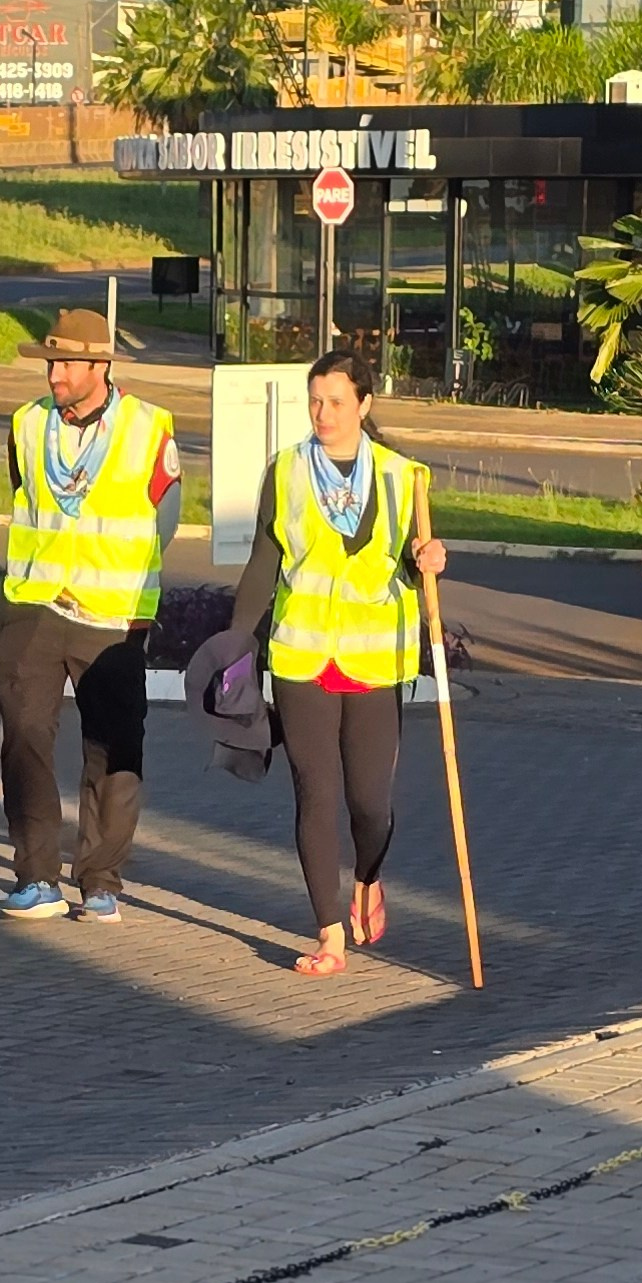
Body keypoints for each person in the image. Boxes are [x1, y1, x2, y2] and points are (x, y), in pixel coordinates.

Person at [226, 344, 447, 978]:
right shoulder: (286, 471)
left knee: (369, 804)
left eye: (336, 402)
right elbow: (264, 563)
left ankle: (369, 876)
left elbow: (413, 562)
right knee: (315, 795)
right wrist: (236, 645)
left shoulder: (404, 477)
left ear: (364, 404)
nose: (322, 414)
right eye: (315, 401)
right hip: (301, 658)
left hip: (375, 662)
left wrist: (428, 560)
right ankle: (329, 932)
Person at [0, 305, 179, 925]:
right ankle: (35, 876)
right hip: (36, 604)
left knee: (112, 749)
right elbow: (24, 495)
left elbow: (167, 518)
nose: (54, 375)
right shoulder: (26, 423)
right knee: (25, 737)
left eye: (66, 364)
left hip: (112, 615)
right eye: (50, 363)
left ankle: (99, 879)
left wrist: (123, 579)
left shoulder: (149, 427)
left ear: (99, 366)